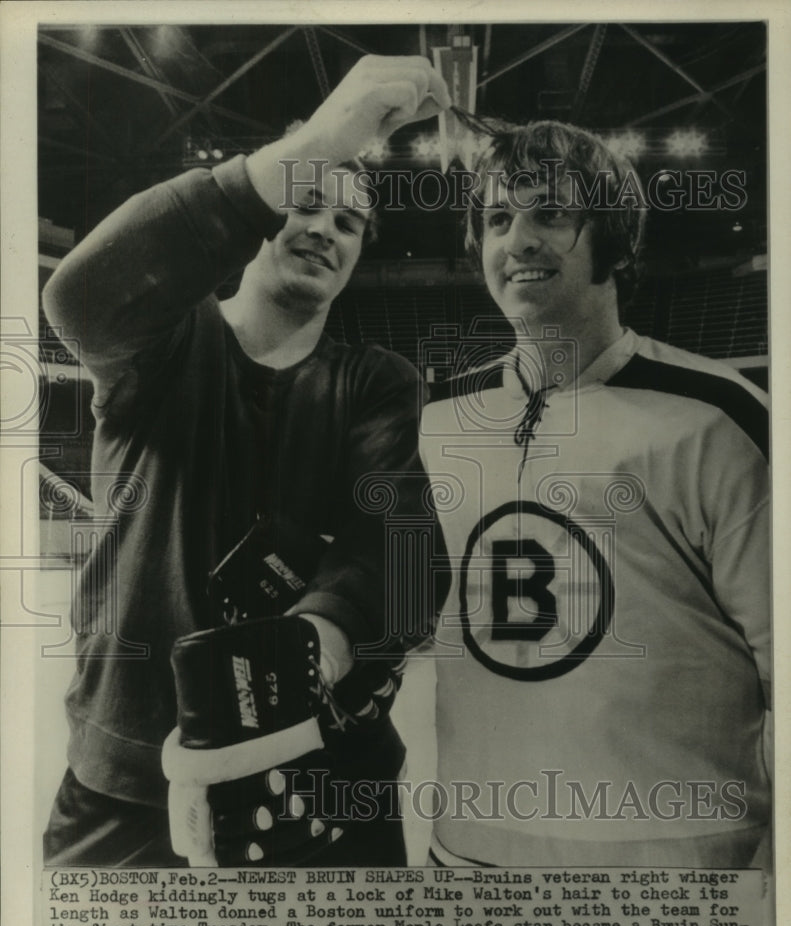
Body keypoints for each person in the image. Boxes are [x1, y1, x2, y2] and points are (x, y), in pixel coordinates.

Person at [41, 55, 451, 867]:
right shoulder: (167, 343)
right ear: (263, 210)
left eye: (348, 224)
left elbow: (399, 548)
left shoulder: (375, 382)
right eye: (306, 201)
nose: (324, 230)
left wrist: (312, 649)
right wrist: (330, 137)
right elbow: (80, 298)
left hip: (325, 772)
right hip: (132, 774)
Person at [420, 119, 771, 869]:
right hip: (468, 852)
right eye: (496, 219)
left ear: (612, 238)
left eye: (551, 212)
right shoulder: (434, 421)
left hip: (672, 865)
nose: (517, 240)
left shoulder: (719, 414)